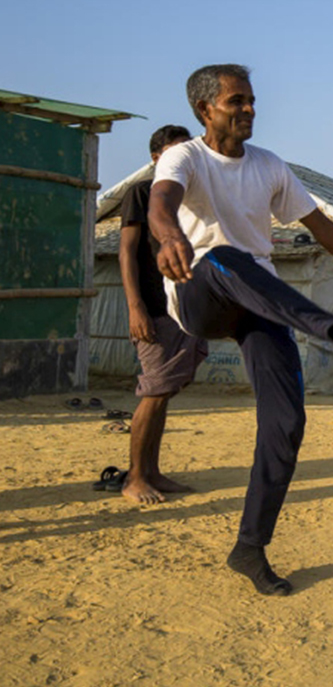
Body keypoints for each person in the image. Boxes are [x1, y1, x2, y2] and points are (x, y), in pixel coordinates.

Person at [149, 64, 333, 596]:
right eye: (236, 101)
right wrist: (170, 235)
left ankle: (249, 547)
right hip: (202, 292)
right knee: (222, 255)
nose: (248, 109)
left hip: (259, 301)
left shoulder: (269, 166)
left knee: (286, 424)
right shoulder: (184, 156)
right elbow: (161, 203)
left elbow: (323, 229)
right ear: (205, 111)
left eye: (251, 100)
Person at [118, 124, 209, 504]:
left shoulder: (189, 197)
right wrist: (135, 306)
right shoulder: (141, 193)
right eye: (173, 152)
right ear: (157, 158)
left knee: (165, 392)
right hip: (153, 308)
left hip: (183, 308)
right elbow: (126, 252)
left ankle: (152, 471)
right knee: (154, 392)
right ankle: (135, 478)